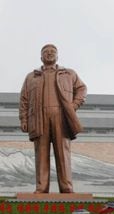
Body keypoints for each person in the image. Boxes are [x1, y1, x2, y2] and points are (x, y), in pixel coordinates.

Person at [19, 44, 87, 193]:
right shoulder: (31, 77)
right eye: (45, 52)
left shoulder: (68, 74)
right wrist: (24, 120)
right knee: (41, 154)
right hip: (39, 118)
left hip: (61, 117)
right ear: (41, 57)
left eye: (52, 52)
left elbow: (82, 89)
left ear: (57, 56)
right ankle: (41, 188)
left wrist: (73, 105)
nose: (49, 54)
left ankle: (66, 187)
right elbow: (24, 99)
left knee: (63, 153)